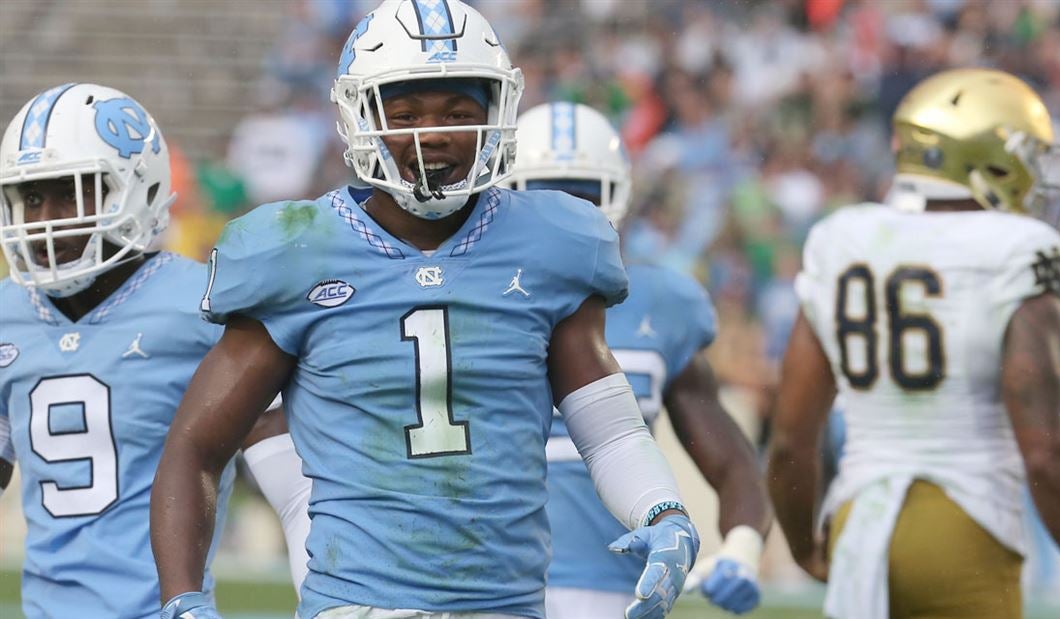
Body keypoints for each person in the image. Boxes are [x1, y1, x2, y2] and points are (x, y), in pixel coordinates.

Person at [150, 2, 699, 619]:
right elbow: (197, 445)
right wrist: (182, 598)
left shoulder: (554, 243)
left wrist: (662, 509)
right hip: (356, 606)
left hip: (505, 606)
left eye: (458, 114)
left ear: (497, 114)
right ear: (359, 117)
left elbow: (610, 429)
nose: (431, 134)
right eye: (404, 113)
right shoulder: (295, 248)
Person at [766, 68, 1060, 619]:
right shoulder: (1018, 247)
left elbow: (791, 438)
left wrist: (803, 545)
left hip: (857, 524)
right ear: (985, 158)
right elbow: (1047, 451)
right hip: (965, 528)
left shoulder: (841, 238)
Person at [0, 83, 311, 619]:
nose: (47, 218)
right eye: (32, 198)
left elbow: (287, 472)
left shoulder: (204, 303)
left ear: (137, 189)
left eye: (73, 193)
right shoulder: (7, 311)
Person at [508, 101, 772, 617]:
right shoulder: (470, 290)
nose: (565, 211)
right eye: (546, 193)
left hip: (618, 592)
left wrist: (743, 548)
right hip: (488, 582)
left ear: (616, 196)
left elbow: (730, 459)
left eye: (583, 195)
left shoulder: (662, 303)